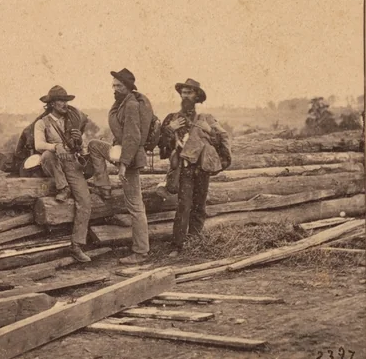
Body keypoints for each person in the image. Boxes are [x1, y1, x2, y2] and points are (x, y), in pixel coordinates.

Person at [88, 68, 155, 264]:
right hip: (122, 151)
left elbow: (133, 137)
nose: (114, 89)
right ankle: (104, 186)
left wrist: (124, 165)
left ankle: (141, 252)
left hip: (131, 158)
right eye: (113, 85)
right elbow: (122, 131)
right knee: (94, 145)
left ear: (128, 87)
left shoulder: (132, 105)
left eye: (118, 86)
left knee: (135, 206)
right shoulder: (122, 103)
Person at [157, 78, 231, 253]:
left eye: (189, 92)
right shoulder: (172, 118)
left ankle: (195, 242)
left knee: (199, 206)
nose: (186, 96)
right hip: (183, 169)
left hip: (202, 169)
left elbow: (221, 143)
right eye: (183, 92)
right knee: (184, 206)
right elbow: (161, 146)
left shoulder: (207, 119)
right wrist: (169, 129)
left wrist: (209, 131)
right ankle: (177, 245)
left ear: (197, 96)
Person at [34, 85, 95, 262]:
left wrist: (78, 142)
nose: (65, 104)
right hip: (53, 161)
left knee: (85, 201)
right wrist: (55, 146)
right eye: (61, 101)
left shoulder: (72, 121)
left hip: (71, 162)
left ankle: (76, 245)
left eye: (66, 101)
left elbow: (80, 149)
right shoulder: (42, 122)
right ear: (52, 104)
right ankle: (63, 187)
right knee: (46, 154)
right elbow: (39, 145)